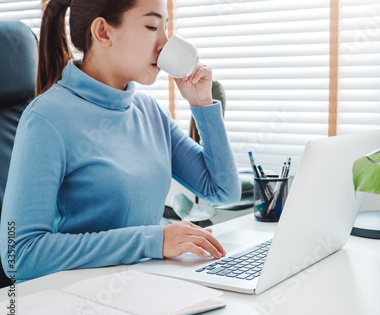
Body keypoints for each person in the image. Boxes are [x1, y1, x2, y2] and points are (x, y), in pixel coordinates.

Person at [0, 0, 241, 282]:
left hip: (143, 286)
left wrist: (202, 104)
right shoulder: (45, 119)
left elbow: (223, 190)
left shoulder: (150, 113)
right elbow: (20, 256)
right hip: (80, 305)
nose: (165, 43)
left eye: (165, 27)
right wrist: (154, 240)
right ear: (103, 32)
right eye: (152, 26)